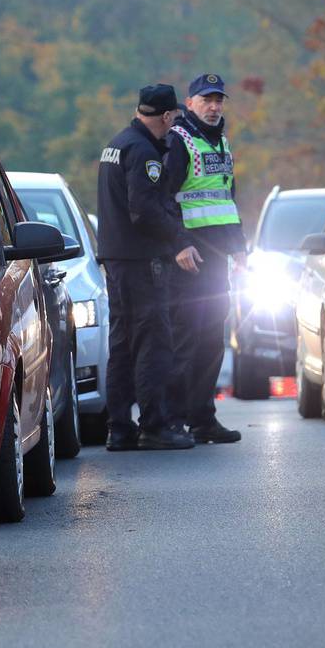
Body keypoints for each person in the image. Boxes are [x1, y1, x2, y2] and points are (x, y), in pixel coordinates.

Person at [95, 83, 200, 452]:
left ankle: (119, 428)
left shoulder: (118, 143)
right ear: (168, 115)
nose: (174, 127)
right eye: (174, 119)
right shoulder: (144, 153)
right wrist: (179, 239)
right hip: (141, 261)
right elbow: (145, 210)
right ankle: (154, 425)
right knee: (153, 342)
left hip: (117, 259)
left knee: (122, 344)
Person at [168, 74, 244, 444]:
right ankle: (176, 419)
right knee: (186, 341)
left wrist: (241, 248)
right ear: (190, 101)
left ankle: (203, 418)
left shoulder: (221, 143)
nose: (214, 107)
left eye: (219, 100)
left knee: (213, 340)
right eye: (206, 100)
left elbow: (228, 200)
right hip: (189, 262)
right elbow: (164, 201)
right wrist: (179, 243)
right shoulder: (179, 141)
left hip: (218, 263)